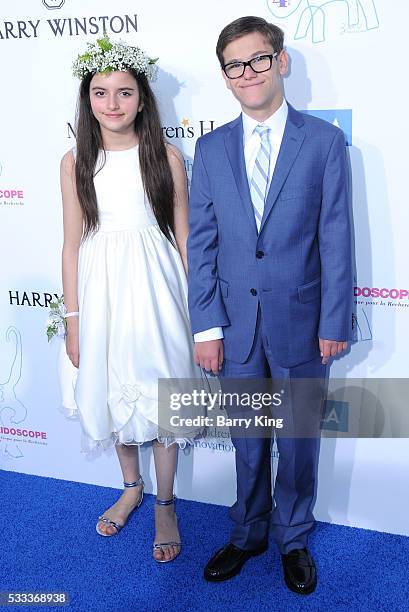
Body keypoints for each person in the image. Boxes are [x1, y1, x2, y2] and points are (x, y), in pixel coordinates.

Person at [187, 16, 352, 592]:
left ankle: (294, 538)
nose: (248, 72)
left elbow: (335, 237)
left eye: (258, 59)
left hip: (304, 325)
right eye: (235, 65)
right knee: (247, 442)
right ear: (226, 79)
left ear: (281, 61)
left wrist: (335, 320)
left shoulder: (325, 142)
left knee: (298, 441)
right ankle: (247, 533)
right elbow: (201, 243)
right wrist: (205, 326)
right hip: (233, 327)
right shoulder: (207, 150)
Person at [59, 34, 200, 563]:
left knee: (162, 392)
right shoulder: (74, 162)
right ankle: (131, 486)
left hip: (159, 287)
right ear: (87, 98)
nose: (112, 104)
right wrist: (73, 320)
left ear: (143, 97)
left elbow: (183, 236)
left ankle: (166, 501)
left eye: (124, 92)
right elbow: (72, 244)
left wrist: (199, 308)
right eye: (101, 92)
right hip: (101, 291)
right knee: (113, 387)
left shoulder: (165, 156)